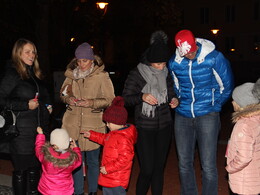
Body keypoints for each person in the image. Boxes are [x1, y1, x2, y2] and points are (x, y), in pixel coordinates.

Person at [168, 29, 234, 195]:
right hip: (183, 116)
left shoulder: (214, 58)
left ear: (195, 45)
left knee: (208, 164)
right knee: (184, 162)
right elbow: (176, 86)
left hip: (207, 115)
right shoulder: (174, 62)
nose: (189, 55)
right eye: (186, 53)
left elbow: (226, 86)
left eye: (191, 51)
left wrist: (214, 105)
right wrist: (178, 99)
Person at [122, 30, 179, 195]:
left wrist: (175, 100)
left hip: (165, 125)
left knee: (158, 169)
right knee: (147, 169)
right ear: (150, 61)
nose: (162, 67)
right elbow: (126, 99)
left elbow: (171, 93)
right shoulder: (137, 74)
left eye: (164, 63)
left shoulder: (166, 73)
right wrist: (142, 96)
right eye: (158, 64)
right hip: (145, 126)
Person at [60, 42, 115, 195]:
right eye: (78, 61)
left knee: (92, 162)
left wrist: (90, 103)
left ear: (91, 60)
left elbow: (110, 99)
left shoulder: (101, 76)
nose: (81, 64)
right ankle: (77, 192)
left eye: (84, 60)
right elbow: (63, 93)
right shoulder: (71, 75)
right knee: (76, 162)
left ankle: (92, 192)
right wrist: (68, 99)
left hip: (93, 126)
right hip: (72, 125)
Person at [0, 38, 52, 194]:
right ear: (18, 53)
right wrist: (24, 105)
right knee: (21, 170)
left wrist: (48, 106)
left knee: (35, 169)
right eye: (27, 52)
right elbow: (1, 99)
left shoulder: (35, 74)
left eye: (34, 52)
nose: (32, 55)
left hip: (38, 133)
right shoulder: (12, 74)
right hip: (20, 134)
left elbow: (45, 97)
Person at [82, 96, 138, 195]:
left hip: (117, 179)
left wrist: (108, 168)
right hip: (109, 177)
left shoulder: (123, 138)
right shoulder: (113, 134)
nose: (107, 125)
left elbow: (125, 159)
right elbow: (104, 139)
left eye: (109, 122)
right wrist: (91, 135)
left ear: (118, 122)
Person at [225, 79, 260, 195]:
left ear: (242, 104)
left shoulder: (244, 125)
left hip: (244, 181)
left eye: (234, 100)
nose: (232, 102)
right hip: (255, 177)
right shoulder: (256, 120)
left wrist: (230, 167)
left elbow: (244, 157)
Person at [35, 127, 82, 195]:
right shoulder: (72, 159)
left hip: (46, 191)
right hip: (65, 191)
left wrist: (40, 135)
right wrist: (76, 149)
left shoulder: (46, 156)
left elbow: (38, 149)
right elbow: (79, 161)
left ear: (53, 144)